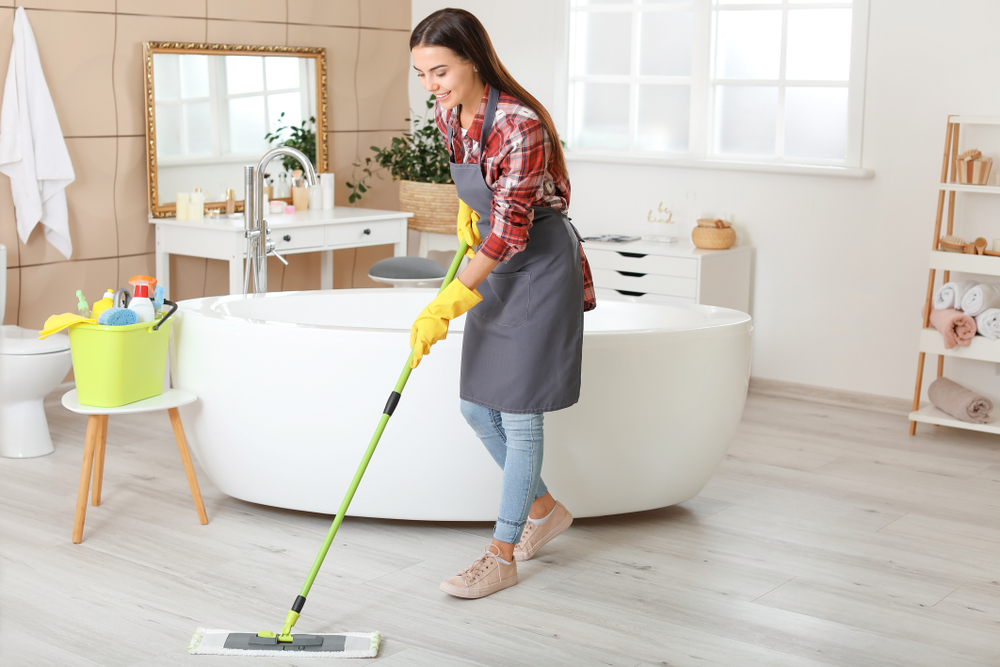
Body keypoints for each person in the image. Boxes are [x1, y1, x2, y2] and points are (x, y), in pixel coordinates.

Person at [408, 8, 596, 600]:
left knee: (518, 413)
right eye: (421, 75)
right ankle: (544, 510)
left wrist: (448, 302)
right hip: (494, 253)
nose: (431, 86)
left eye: (440, 71)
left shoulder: (520, 124)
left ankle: (502, 552)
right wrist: (469, 215)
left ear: (473, 60)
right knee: (475, 408)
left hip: (535, 262)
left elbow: (512, 233)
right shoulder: (449, 114)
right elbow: (482, 200)